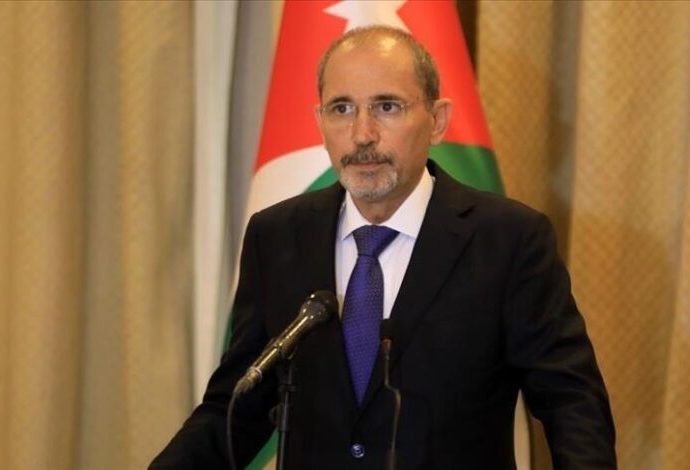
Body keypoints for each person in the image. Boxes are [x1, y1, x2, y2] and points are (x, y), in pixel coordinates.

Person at [150, 26, 616, 469]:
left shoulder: (508, 239)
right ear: (319, 121)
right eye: (341, 109)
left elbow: (571, 402)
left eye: (387, 106)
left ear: (437, 121)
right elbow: (237, 408)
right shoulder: (276, 236)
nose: (362, 134)